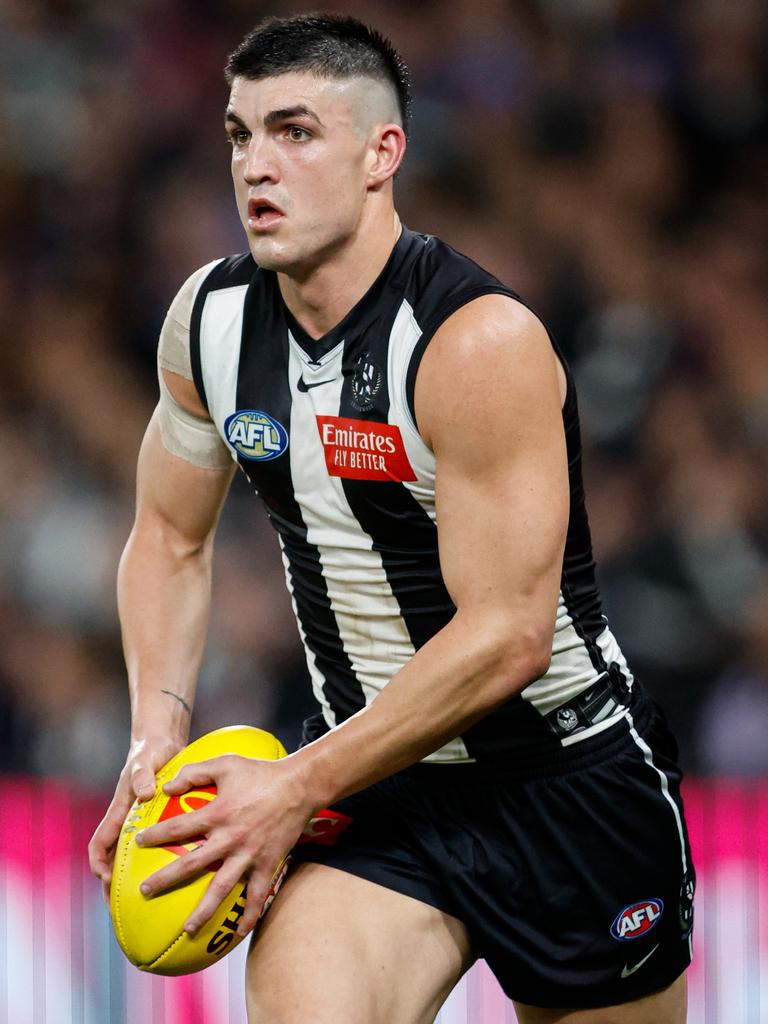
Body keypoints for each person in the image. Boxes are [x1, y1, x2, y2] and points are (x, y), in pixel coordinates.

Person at [89, 14, 694, 1024]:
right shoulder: (211, 324)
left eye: (295, 131)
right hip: (374, 785)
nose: (257, 167)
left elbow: (507, 636)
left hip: (562, 779)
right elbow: (168, 537)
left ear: (383, 153)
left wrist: (292, 786)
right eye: (241, 136)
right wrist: (154, 736)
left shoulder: (475, 342)